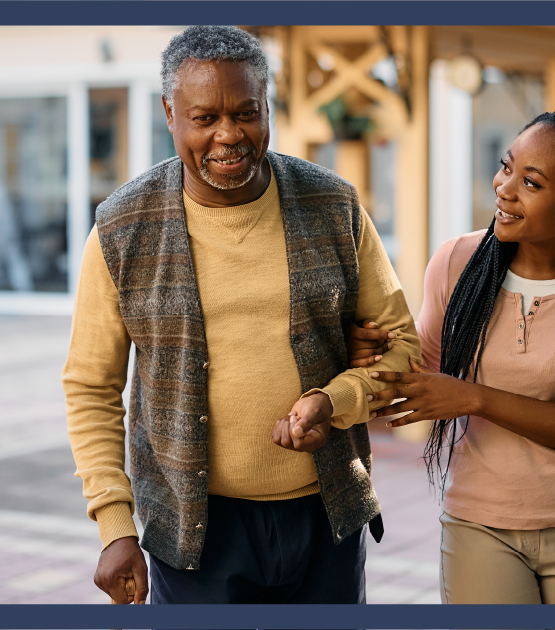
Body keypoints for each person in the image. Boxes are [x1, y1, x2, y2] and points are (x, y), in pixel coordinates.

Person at [62, 25, 419, 606]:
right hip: (194, 535)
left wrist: (338, 399)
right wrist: (114, 525)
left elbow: (403, 343)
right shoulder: (122, 228)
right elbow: (91, 386)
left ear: (267, 107)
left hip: (326, 516)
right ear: (170, 114)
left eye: (247, 113)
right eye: (204, 118)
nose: (229, 136)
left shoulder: (333, 205)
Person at [349, 109, 555, 604]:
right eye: (505, 166)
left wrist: (476, 399)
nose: (504, 187)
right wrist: (371, 356)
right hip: (479, 526)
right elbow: (416, 381)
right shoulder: (456, 262)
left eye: (531, 183)